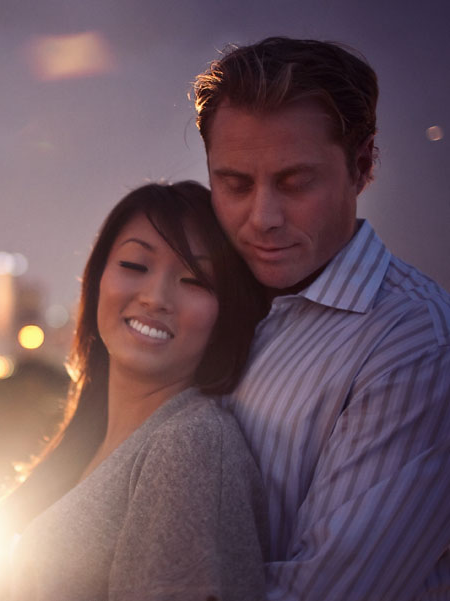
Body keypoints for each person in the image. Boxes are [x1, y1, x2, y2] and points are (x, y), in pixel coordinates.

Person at [193, 37, 450, 600]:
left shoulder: (416, 345)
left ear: (362, 165)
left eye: (295, 182)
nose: (262, 218)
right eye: (234, 183)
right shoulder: (207, 301)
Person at [0, 181, 269, 600]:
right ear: (97, 279)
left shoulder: (190, 447)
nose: (155, 297)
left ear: (226, 309)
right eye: (135, 266)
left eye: (194, 279)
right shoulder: (90, 437)